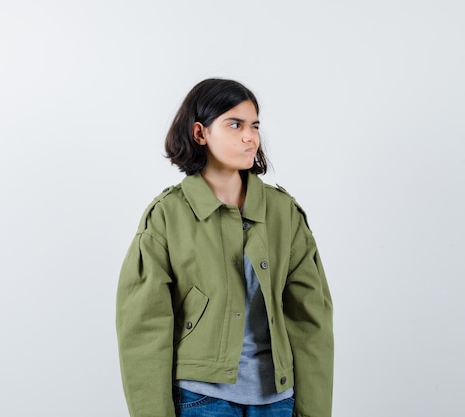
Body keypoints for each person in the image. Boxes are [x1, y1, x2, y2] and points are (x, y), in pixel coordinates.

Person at [116, 78, 333, 417]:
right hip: (199, 399)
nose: (251, 137)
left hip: (277, 399)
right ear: (200, 133)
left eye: (255, 126)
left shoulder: (283, 213)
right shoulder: (167, 216)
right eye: (235, 125)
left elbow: (310, 319)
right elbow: (144, 327)